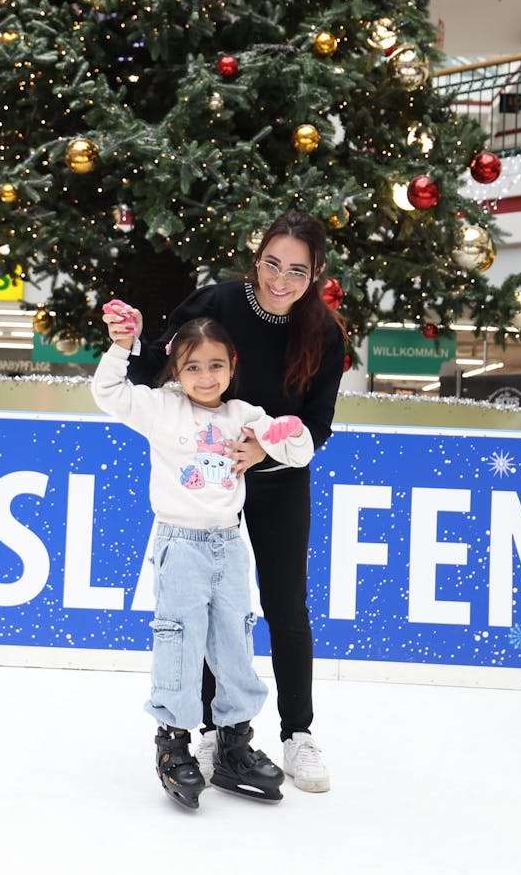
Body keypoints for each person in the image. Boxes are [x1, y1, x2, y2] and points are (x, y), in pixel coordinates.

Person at [124, 210, 346, 793]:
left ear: (316, 272)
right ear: (258, 258)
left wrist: (263, 454)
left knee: (285, 605)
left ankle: (297, 735)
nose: (281, 279)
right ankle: (209, 730)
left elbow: (317, 429)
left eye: (297, 270)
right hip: (206, 475)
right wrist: (127, 343)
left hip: (273, 475)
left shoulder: (324, 334)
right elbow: (155, 364)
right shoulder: (217, 302)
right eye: (273, 263)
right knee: (201, 605)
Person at [94, 309, 313, 809]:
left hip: (230, 546)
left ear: (232, 366)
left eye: (216, 365)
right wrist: (121, 345)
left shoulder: (243, 416)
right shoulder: (160, 409)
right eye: (193, 367)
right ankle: (173, 742)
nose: (205, 377)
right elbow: (109, 394)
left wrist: (285, 434)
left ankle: (234, 740)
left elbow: (299, 452)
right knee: (180, 640)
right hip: (180, 544)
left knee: (235, 638)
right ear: (175, 369)